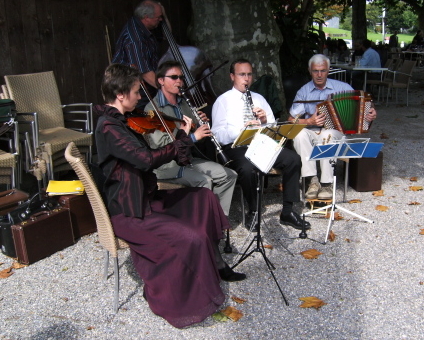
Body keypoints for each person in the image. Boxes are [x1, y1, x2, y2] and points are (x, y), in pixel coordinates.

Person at [94, 64, 245, 329]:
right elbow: (144, 160)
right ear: (120, 95)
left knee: (204, 199)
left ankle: (214, 261)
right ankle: (188, 297)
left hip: (148, 199)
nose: (140, 96)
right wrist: (183, 139)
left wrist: (181, 137)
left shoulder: (124, 121)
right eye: (135, 91)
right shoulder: (109, 127)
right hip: (132, 212)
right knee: (193, 237)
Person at [211, 59, 308, 232]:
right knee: (248, 168)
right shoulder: (222, 101)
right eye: (242, 74)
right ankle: (253, 210)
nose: (246, 79)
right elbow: (217, 134)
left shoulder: (259, 98)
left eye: (249, 74)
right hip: (236, 147)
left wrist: (264, 121)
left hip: (261, 144)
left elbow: (273, 126)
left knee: (293, 159)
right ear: (232, 76)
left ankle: (287, 210)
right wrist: (242, 129)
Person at [144, 60, 237, 216]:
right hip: (168, 166)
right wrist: (194, 136)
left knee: (229, 175)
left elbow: (192, 132)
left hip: (188, 159)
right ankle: (202, 224)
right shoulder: (151, 109)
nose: (179, 81)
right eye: (174, 77)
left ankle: (219, 219)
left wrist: (200, 124)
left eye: (181, 77)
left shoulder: (184, 104)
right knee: (204, 181)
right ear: (161, 81)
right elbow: (160, 144)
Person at [288, 54, 377, 199]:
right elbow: (291, 120)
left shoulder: (342, 87)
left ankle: (326, 183)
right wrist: (309, 122)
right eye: (315, 71)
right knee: (299, 135)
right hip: (312, 131)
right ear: (310, 71)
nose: (319, 74)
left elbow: (362, 105)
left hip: (336, 132)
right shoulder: (304, 91)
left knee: (326, 135)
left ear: (328, 70)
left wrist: (371, 112)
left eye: (322, 70)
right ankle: (312, 180)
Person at [112, 0, 165, 109]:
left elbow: (167, 31)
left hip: (145, 85)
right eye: (158, 17)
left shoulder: (141, 24)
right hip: (132, 88)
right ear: (146, 18)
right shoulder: (135, 39)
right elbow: (144, 72)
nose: (161, 20)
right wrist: (165, 88)